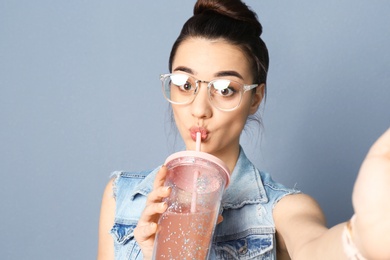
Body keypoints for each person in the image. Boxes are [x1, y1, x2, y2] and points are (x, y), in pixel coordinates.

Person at [97, 0, 390, 259]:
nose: (200, 109)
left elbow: (314, 246)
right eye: (185, 85)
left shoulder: (282, 210)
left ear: (255, 99)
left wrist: (361, 238)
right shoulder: (123, 197)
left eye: (225, 90)